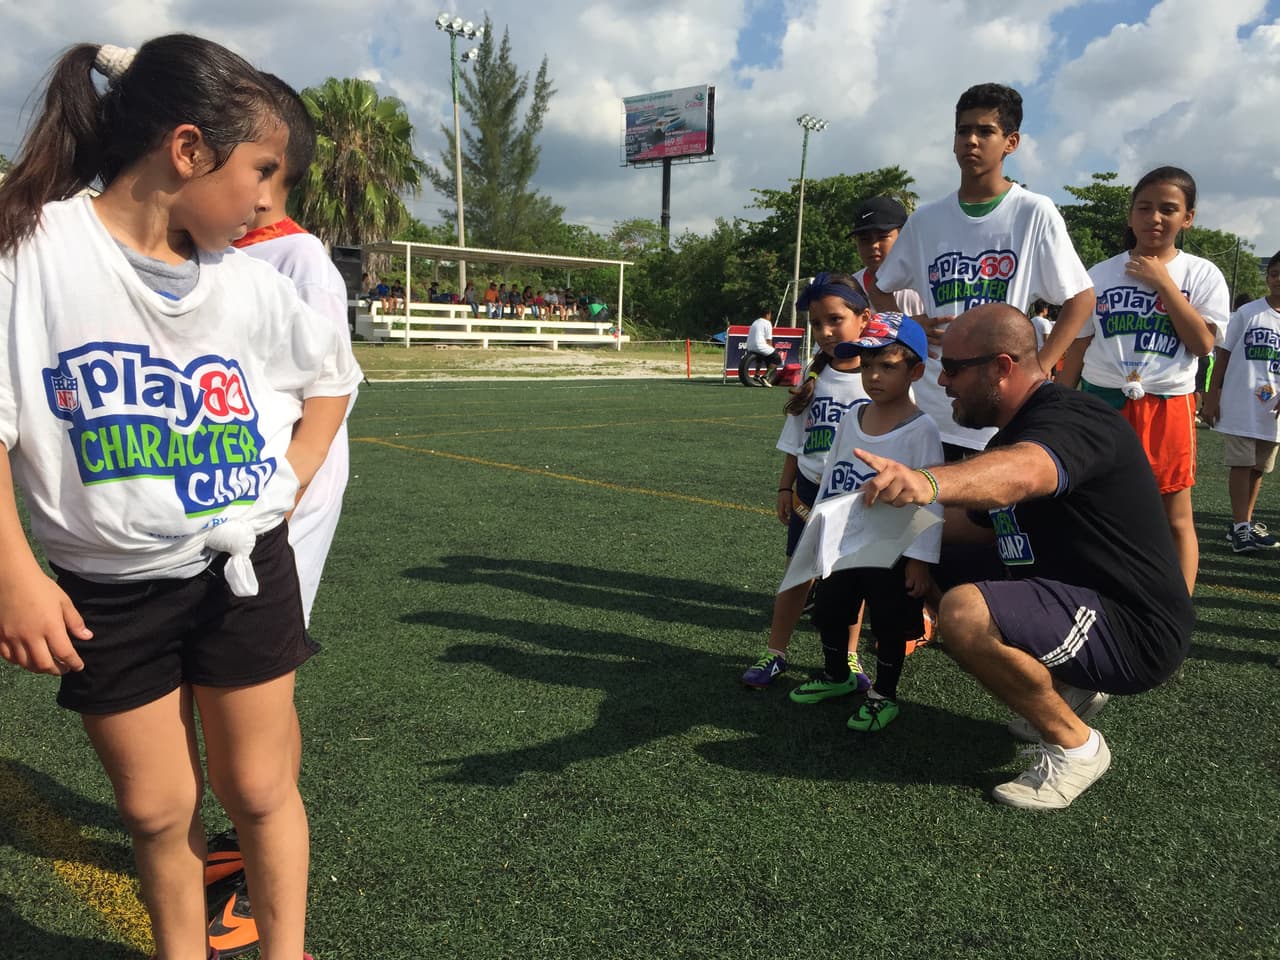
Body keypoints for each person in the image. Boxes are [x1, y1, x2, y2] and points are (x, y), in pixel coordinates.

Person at [0, 34, 361, 958]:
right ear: (189, 149)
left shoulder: (246, 285)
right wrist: (16, 578)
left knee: (261, 789)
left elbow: (333, 376)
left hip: (241, 573)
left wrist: (288, 477)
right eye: (262, 171)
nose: (269, 202)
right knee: (158, 812)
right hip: (108, 591)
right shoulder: (31, 250)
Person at [857, 304, 1194, 809]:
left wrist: (927, 481)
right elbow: (973, 527)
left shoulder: (1071, 417)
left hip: (1136, 628)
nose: (943, 381)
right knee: (928, 558)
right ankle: (1072, 685)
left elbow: (1023, 473)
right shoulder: (1013, 432)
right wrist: (865, 534)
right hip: (1080, 596)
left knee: (965, 614)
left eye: (953, 368)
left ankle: (1076, 746)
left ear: (1002, 367)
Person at [869, 82, 1094, 461]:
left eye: (985, 131)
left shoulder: (1033, 212)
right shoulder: (926, 220)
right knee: (926, 515)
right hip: (933, 405)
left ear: (1012, 142)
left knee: (990, 518)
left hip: (1001, 406)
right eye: (963, 130)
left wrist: (1039, 364)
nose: (971, 140)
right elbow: (879, 287)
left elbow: (1082, 298)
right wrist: (912, 323)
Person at [1058, 167, 1229, 594]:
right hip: (1102, 401)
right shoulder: (1099, 273)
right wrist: (1057, 407)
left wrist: (1163, 284)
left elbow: (1202, 343)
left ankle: (1176, 609)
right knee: (1098, 507)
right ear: (1130, 215)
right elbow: (1078, 348)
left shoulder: (1201, 274)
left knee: (1174, 515)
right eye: (1145, 208)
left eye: (1168, 209)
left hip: (1167, 405)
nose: (1155, 218)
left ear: (1188, 218)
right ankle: (1103, 594)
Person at [793, 314, 942, 731]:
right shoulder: (851, 416)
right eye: (868, 364)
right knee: (833, 609)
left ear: (915, 371)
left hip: (892, 548)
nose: (874, 375)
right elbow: (832, 478)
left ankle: (884, 693)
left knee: (890, 622)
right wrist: (818, 528)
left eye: (888, 366)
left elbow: (933, 501)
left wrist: (920, 560)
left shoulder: (922, 429)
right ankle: (837, 676)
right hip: (845, 541)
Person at [741, 274, 872, 689]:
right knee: (798, 576)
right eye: (817, 323)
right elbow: (795, 442)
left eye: (836, 319)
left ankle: (849, 657)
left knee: (852, 583)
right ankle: (776, 652)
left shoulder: (879, 377)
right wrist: (785, 487)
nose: (826, 331)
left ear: (864, 319)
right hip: (808, 493)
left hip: (856, 498)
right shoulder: (814, 379)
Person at [1200, 250, 1280, 552]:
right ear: (1267, 277)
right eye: (1274, 273)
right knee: (1242, 464)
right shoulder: (1248, 313)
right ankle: (1241, 527)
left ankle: (1243, 523)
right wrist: (1212, 395)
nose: (1278, 279)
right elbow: (1223, 355)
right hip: (1241, 403)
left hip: (1271, 411)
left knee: (1259, 467)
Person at [849, 196, 925, 320]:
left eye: (882, 237)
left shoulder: (925, 281)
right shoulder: (848, 289)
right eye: (864, 239)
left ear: (904, 236)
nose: (873, 245)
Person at [742, 307, 781, 386]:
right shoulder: (767, 323)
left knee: (760, 356)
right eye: (770, 315)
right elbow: (769, 340)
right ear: (767, 314)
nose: (770, 317)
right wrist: (772, 349)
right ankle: (765, 377)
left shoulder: (755, 322)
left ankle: (756, 375)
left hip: (749, 346)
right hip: (759, 346)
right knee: (777, 358)